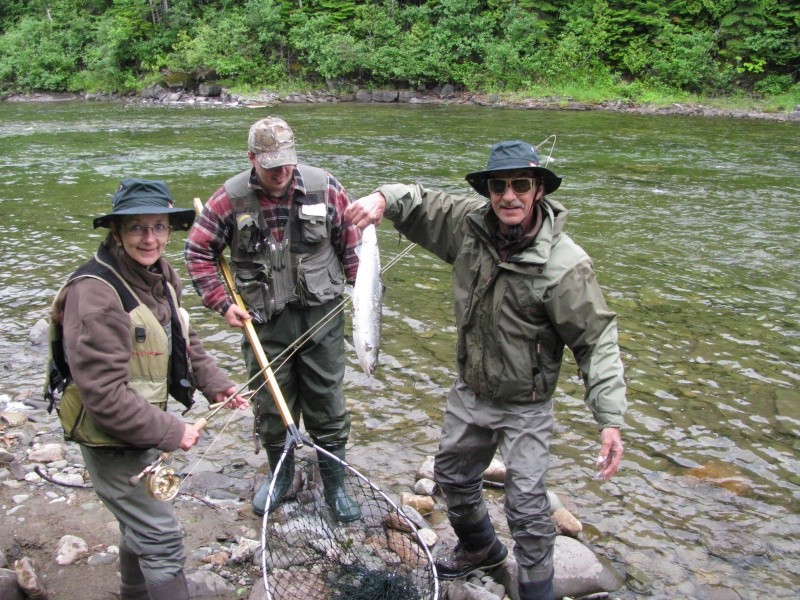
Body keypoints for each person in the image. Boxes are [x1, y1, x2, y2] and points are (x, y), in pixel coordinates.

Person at [344, 140, 627, 599]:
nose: (508, 196)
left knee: (527, 507)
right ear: (488, 190)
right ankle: (481, 549)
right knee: (453, 478)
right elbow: (420, 203)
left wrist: (610, 419)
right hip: (471, 391)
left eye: (520, 185)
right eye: (499, 186)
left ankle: (535, 589)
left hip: (526, 406)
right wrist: (382, 198)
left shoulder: (565, 266)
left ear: (538, 190)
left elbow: (596, 341)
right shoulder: (467, 228)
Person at [43, 178, 249, 600]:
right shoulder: (95, 294)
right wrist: (173, 431)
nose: (150, 238)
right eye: (137, 228)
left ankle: (132, 594)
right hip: (109, 437)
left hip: (138, 426)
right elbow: (103, 396)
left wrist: (216, 385)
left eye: (158, 226)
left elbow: (182, 339)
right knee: (161, 536)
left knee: (138, 524)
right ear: (115, 232)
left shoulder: (159, 274)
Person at [184, 116, 363, 522]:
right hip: (262, 321)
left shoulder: (325, 186)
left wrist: (361, 296)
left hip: (322, 315)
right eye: (270, 165)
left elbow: (352, 243)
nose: (281, 172)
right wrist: (220, 301)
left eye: (286, 162)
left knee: (328, 402)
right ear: (251, 159)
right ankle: (281, 475)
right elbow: (197, 251)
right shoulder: (229, 199)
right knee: (271, 405)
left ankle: (336, 481)